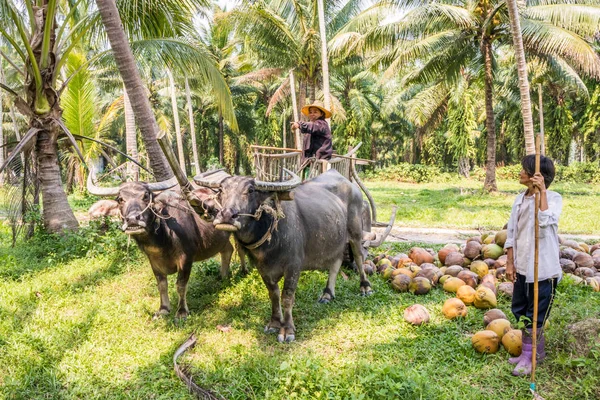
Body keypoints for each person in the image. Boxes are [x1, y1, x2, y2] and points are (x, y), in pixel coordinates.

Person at [504, 154, 562, 376]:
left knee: (536, 314)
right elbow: (511, 232)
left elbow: (546, 222)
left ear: (536, 176)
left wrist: (542, 193)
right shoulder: (519, 199)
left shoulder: (554, 198)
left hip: (543, 270)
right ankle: (531, 351)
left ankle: (531, 356)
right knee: (520, 309)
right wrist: (510, 261)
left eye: (523, 170)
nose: (519, 173)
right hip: (522, 267)